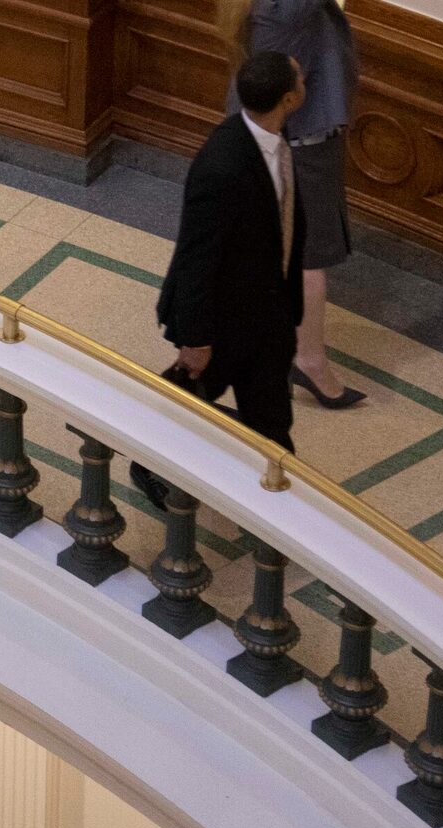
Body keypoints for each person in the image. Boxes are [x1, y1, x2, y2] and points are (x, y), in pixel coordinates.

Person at [219, 0, 385, 410]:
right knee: (307, 254)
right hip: (304, 139)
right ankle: (308, 358)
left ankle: (264, 341)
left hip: (269, 136)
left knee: (275, 247)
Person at [132, 50, 311, 509]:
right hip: (222, 321)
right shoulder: (223, 165)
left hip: (266, 316)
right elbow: (196, 258)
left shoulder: (273, 138)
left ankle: (278, 504)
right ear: (288, 99)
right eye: (299, 76)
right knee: (190, 398)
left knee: (270, 419)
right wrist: (194, 337)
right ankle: (146, 461)